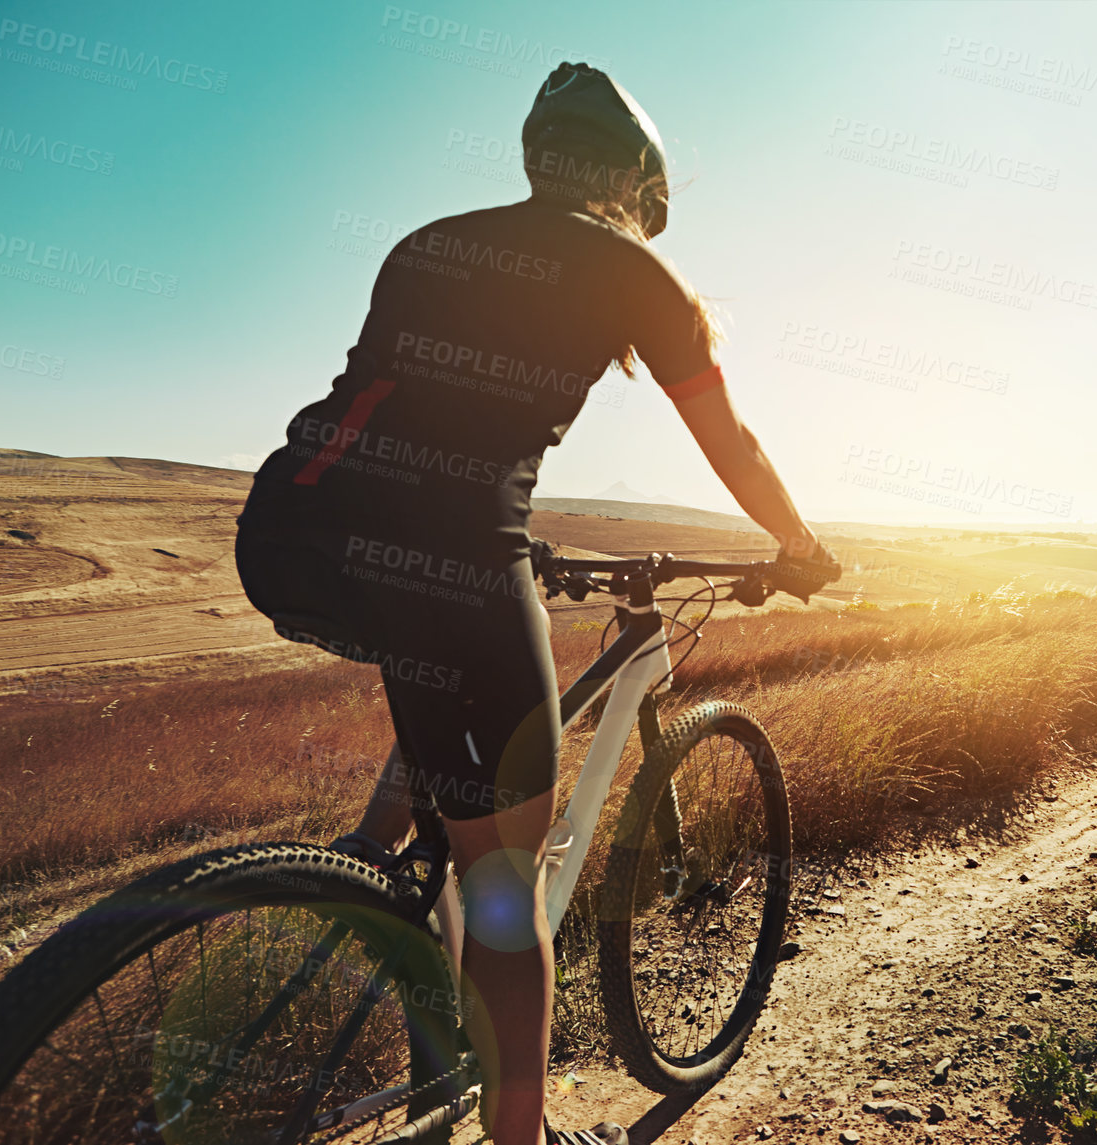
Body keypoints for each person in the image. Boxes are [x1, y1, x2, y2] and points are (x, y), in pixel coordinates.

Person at [234, 63, 838, 1145]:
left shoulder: (428, 240)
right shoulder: (636, 274)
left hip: (288, 528)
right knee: (508, 885)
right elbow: (731, 443)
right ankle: (518, 1134)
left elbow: (413, 419)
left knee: (445, 741)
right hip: (452, 554)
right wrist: (796, 544)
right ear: (632, 183)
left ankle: (375, 871)